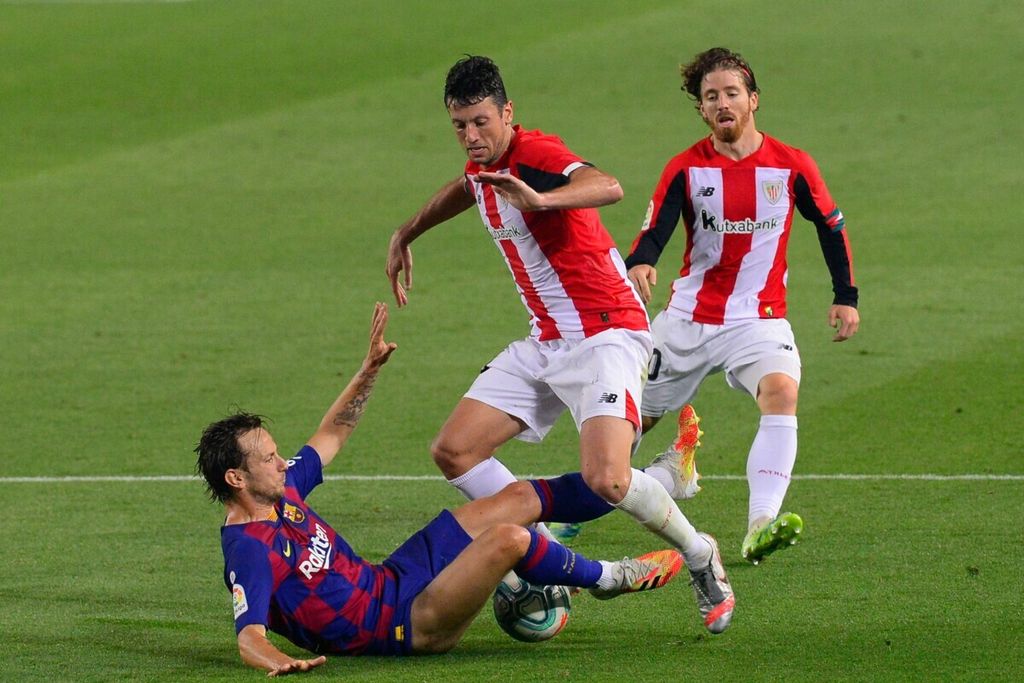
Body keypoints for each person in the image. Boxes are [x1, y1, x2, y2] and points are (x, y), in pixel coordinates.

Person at [385, 55, 733, 635]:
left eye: (481, 122)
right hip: (546, 341)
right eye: (460, 126)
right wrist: (407, 231)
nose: (472, 137)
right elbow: (465, 189)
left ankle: (699, 554)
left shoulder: (537, 156)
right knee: (454, 450)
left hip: (605, 332)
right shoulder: (484, 166)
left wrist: (543, 200)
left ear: (508, 114)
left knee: (608, 480)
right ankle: (539, 549)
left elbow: (608, 185)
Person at [195, 302, 684, 676]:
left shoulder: (281, 493)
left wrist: (368, 372)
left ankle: (641, 482)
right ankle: (609, 578)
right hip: (404, 624)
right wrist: (281, 662)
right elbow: (249, 636)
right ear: (236, 479)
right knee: (509, 538)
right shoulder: (250, 550)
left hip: (392, 579)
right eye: (269, 459)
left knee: (514, 501)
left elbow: (331, 435)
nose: (283, 463)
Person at [625, 47, 860, 564]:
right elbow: (654, 230)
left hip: (759, 318)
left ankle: (760, 523)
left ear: (753, 100)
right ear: (703, 110)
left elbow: (830, 225)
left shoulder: (791, 165)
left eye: (732, 92)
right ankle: (638, 486)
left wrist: (846, 296)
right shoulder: (685, 168)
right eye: (711, 97)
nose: (722, 102)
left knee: (781, 392)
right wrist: (641, 262)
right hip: (687, 320)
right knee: (623, 428)